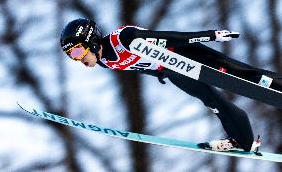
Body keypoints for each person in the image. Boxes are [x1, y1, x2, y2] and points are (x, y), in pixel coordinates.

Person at [60, 18, 282, 152]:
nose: (77, 58)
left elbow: (169, 37)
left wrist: (209, 35)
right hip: (172, 71)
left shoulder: (124, 38)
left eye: (77, 51)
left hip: (184, 56)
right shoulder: (105, 62)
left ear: (90, 40)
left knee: (244, 74)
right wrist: (158, 74)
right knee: (213, 102)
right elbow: (140, 66)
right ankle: (243, 141)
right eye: (71, 56)